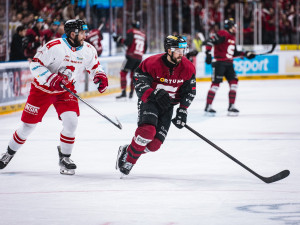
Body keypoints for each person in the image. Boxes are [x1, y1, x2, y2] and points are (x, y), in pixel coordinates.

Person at [0, 19, 108, 175]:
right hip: (42, 89)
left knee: (71, 122)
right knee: (27, 127)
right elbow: (35, 64)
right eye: (83, 32)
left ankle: (65, 158)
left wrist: (100, 77)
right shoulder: (54, 46)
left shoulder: (88, 50)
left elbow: (95, 67)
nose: (86, 35)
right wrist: (51, 78)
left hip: (65, 91)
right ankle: (9, 153)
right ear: (73, 34)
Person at [116, 35, 196, 176]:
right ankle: (129, 161)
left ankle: (129, 150)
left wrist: (183, 111)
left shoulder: (188, 67)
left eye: (183, 50)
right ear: (169, 50)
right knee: (147, 132)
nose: (181, 54)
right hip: (150, 102)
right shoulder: (151, 63)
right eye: (178, 50)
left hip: (168, 107)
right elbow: (139, 81)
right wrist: (153, 93)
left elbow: (190, 91)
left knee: (154, 145)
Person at [203, 18, 255, 116]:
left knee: (234, 83)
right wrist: (208, 53)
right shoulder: (223, 33)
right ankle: (208, 106)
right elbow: (210, 41)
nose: (235, 28)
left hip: (229, 64)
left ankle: (231, 106)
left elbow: (233, 53)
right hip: (219, 63)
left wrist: (246, 54)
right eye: (234, 26)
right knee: (215, 85)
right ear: (230, 27)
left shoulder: (232, 37)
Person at [113, 21, 147, 99]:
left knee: (123, 73)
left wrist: (119, 39)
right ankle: (131, 93)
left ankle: (124, 92)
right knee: (133, 75)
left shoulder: (131, 32)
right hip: (139, 58)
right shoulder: (143, 35)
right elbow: (145, 49)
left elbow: (127, 42)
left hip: (131, 57)